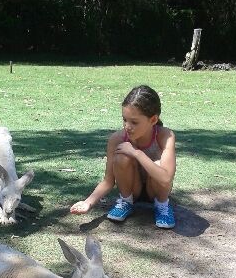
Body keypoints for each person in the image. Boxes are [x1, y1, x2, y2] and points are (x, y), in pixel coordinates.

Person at [70, 85, 176, 228]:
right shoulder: (117, 139)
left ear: (153, 120)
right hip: (133, 189)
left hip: (157, 190)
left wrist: (136, 153)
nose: (127, 126)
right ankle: (126, 202)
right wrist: (88, 202)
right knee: (121, 156)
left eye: (134, 122)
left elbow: (166, 178)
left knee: (158, 164)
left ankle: (162, 206)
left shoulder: (165, 135)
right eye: (124, 119)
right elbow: (108, 180)